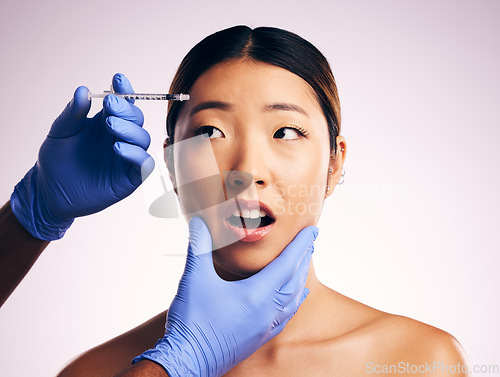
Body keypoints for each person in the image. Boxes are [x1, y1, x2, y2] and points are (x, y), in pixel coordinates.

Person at [1, 25, 468, 376]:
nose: (246, 169)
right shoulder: (96, 372)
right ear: (171, 165)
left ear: (334, 163)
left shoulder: (419, 362)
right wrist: (30, 214)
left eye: (286, 131)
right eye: (209, 132)